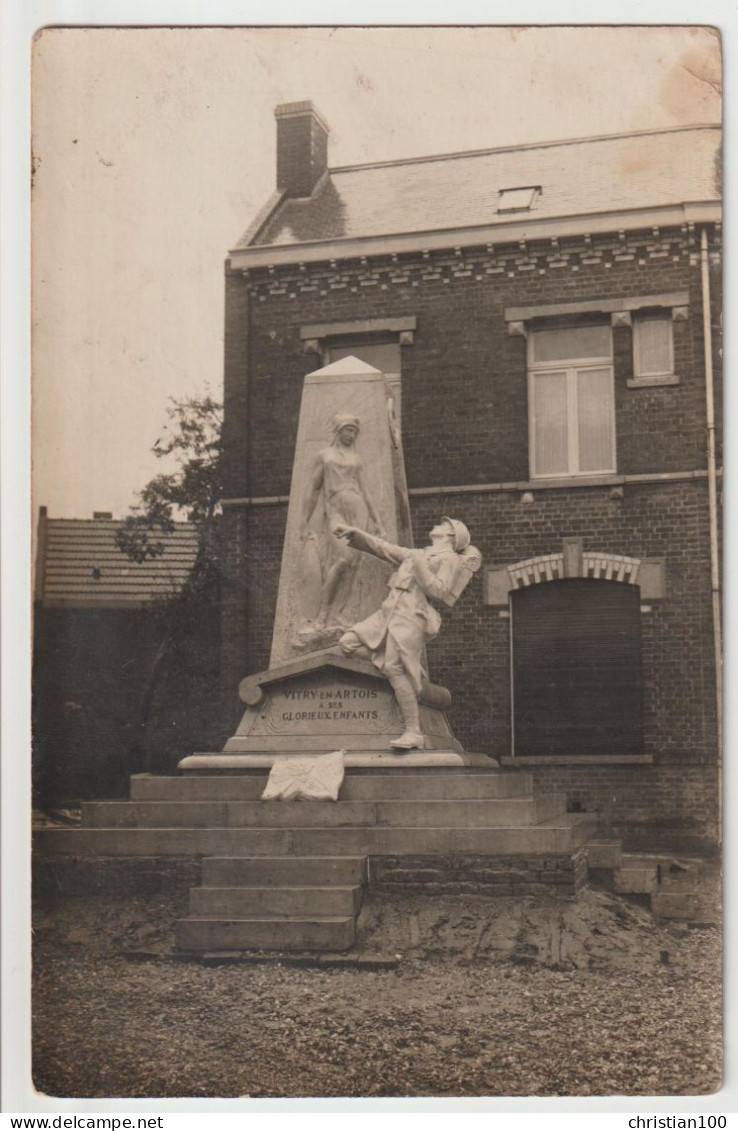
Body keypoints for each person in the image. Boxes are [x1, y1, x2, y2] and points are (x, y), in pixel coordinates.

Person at [333, 517, 480, 749]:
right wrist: (356, 532)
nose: (436, 525)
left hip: (412, 615)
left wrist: (420, 566)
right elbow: (385, 548)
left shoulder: (449, 559)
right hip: (389, 610)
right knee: (347, 643)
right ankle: (395, 663)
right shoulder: (419, 553)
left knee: (395, 668)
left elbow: (440, 592)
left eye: (443, 525)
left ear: (450, 535)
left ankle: (413, 732)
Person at [300, 414, 385, 631]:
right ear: (339, 430)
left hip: (357, 510)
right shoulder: (325, 456)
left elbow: (366, 491)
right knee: (343, 559)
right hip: (335, 509)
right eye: (349, 430)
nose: (352, 434)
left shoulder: (356, 459)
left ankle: (341, 617)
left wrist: (377, 521)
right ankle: (323, 614)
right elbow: (313, 488)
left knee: (353, 564)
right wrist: (304, 521)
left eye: (355, 432)